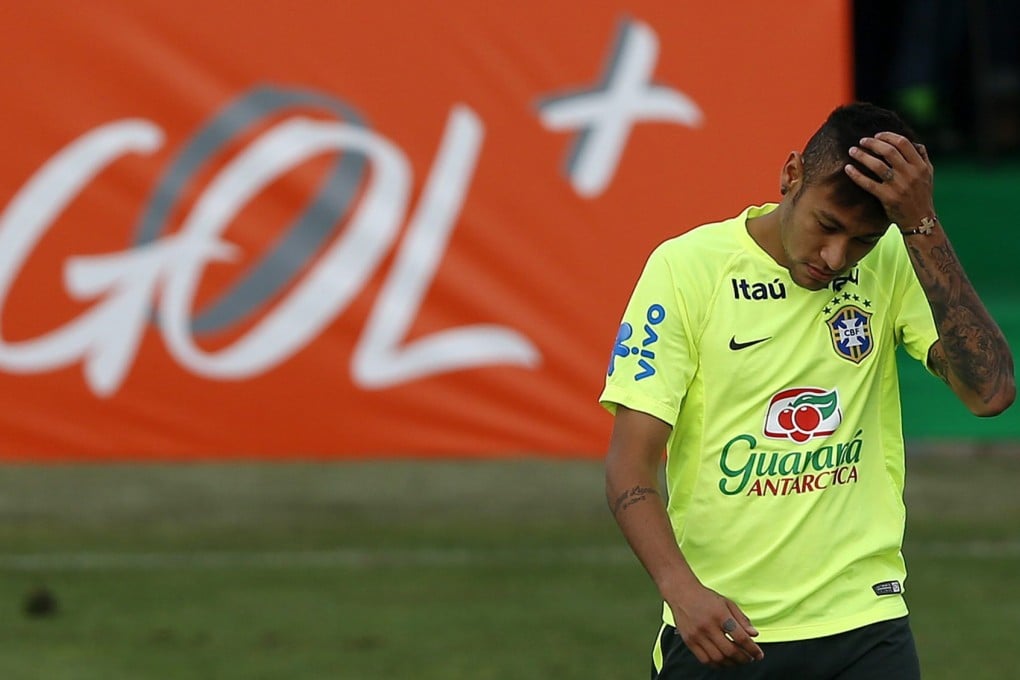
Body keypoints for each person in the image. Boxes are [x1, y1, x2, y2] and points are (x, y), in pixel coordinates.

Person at [600, 102, 1015, 679]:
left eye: (863, 241)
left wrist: (922, 225)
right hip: (724, 630)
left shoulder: (895, 261)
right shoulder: (686, 268)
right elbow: (631, 461)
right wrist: (681, 590)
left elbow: (989, 392)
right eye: (827, 225)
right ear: (790, 175)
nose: (835, 258)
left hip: (866, 624)